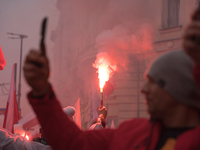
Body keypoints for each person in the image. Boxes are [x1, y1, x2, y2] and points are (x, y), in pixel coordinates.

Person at [23, 9, 200, 150]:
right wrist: (42, 92)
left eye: (155, 83)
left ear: (177, 89)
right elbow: (72, 142)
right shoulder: (131, 133)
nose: (144, 89)